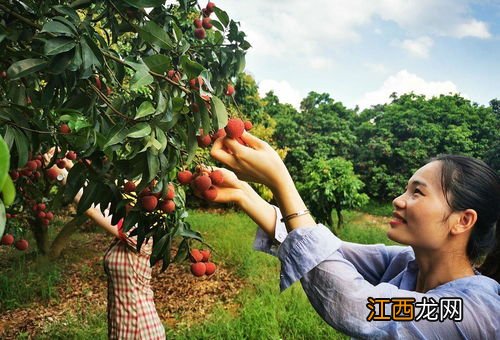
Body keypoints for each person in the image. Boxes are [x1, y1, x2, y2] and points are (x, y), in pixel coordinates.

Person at [205, 131, 500, 339]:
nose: (398, 200)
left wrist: (281, 181)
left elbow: (361, 306)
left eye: (417, 192)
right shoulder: (404, 265)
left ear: (463, 221)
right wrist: (243, 193)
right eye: (406, 189)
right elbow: (328, 250)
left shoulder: (469, 308)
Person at [45, 152, 165, 339]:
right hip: (122, 326)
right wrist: (68, 164)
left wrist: (60, 176)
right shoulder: (127, 228)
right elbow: (97, 196)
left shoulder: (140, 235)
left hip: (141, 329)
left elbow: (93, 210)